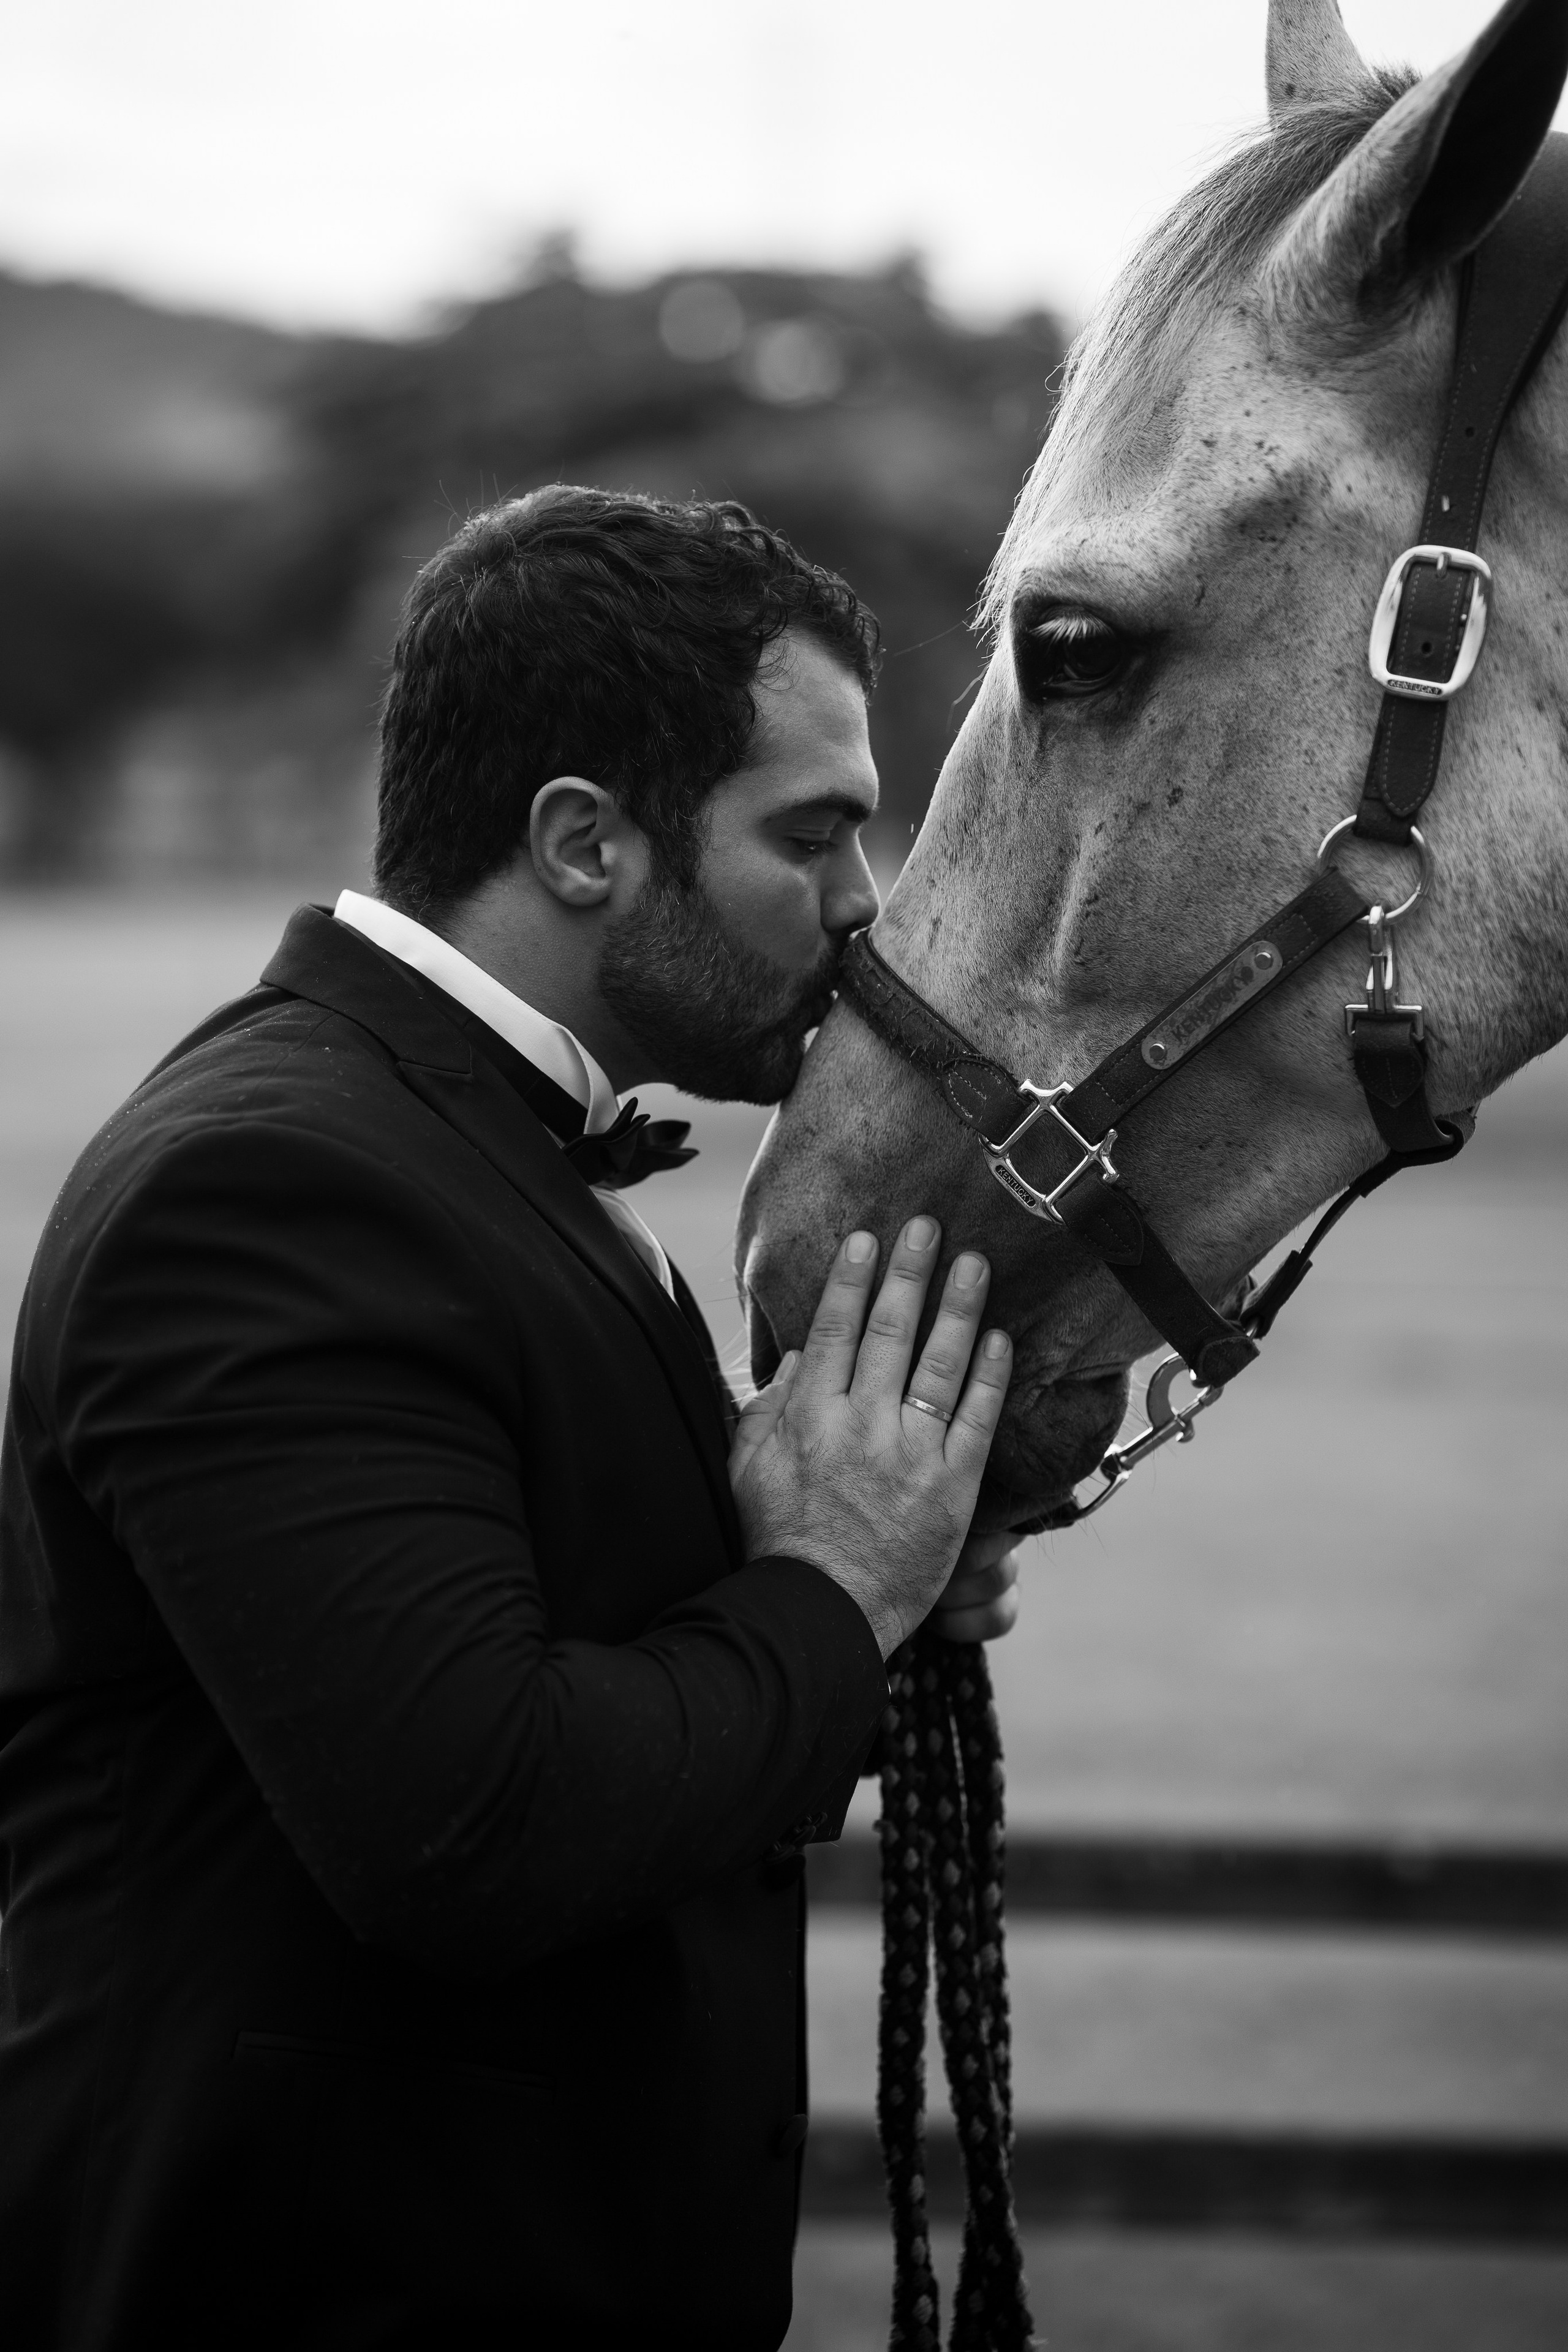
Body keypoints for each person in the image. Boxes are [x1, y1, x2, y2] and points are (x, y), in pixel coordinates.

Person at [0, 487, 1019, 2350]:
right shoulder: (271, 1191)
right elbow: (474, 1827)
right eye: (815, 836)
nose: (868, 908)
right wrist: (827, 1598)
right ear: (581, 844)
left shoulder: (471, 1142)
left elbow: (571, 1667)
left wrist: (840, 1577)